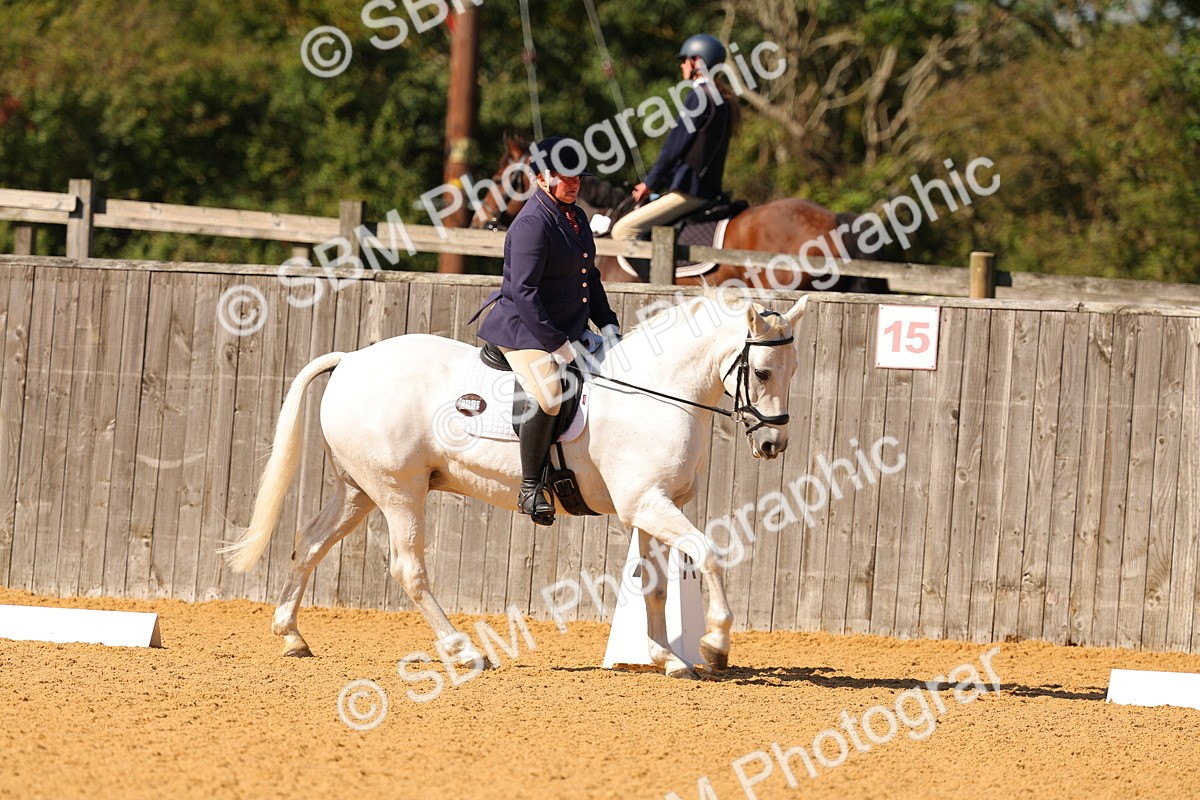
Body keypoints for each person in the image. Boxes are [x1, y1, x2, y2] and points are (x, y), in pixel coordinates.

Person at [475, 135, 621, 526]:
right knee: (551, 393)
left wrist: (608, 323)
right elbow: (525, 293)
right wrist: (557, 344)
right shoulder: (531, 223)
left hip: (566, 326)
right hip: (524, 330)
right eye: (564, 177)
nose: (573, 184)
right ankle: (530, 487)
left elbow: (589, 277)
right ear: (541, 177)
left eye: (577, 178)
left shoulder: (577, 217)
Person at [611, 34, 734, 241]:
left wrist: (650, 183)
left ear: (698, 62)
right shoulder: (723, 99)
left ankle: (658, 265)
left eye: (685, 60)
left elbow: (674, 147)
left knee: (622, 231)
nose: (682, 65)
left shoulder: (699, 96)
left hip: (690, 190)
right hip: (710, 190)